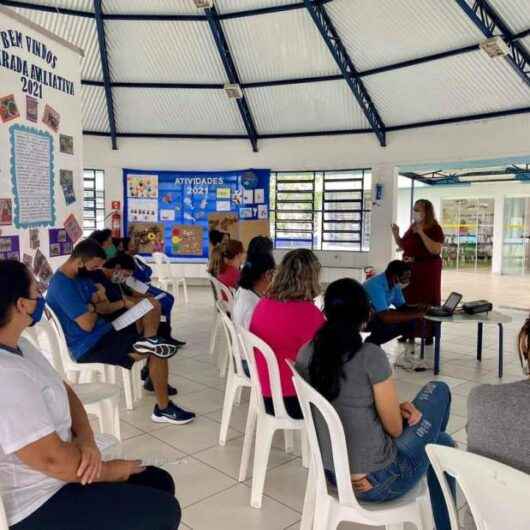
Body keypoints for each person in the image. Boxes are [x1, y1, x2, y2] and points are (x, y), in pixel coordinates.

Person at [0, 260, 181, 530]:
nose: (40, 294)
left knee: (159, 481)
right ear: (21, 305)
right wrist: (110, 470)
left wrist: (87, 441)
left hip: (64, 473)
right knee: (164, 511)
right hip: (39, 502)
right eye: (35, 290)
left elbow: (65, 390)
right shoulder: (6, 374)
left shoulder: (22, 345)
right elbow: (51, 460)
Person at [296, 278, 456, 530]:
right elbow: (395, 430)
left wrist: (396, 407)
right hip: (379, 481)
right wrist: (397, 412)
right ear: (365, 315)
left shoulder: (306, 352)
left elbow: (350, 403)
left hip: (332, 473)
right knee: (439, 390)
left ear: (326, 312)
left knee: (444, 444)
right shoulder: (370, 357)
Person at [46, 239, 194, 426]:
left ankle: (149, 345)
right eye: (95, 266)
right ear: (81, 261)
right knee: (159, 348)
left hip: (104, 333)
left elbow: (105, 306)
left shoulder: (81, 276)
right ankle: (163, 410)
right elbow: (87, 324)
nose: (96, 270)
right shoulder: (62, 285)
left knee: (157, 338)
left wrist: (94, 306)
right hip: (88, 345)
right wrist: (95, 306)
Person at [86, 253, 180, 396]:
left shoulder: (114, 280)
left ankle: (151, 369)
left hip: (125, 316)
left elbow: (125, 296)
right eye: (125, 274)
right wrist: (127, 303)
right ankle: (152, 369)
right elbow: (106, 306)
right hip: (115, 323)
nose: (124, 278)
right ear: (117, 267)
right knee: (157, 327)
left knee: (158, 318)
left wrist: (140, 300)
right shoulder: (97, 278)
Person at [250, 249, 325, 419]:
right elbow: (328, 354)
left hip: (266, 392)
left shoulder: (264, 302)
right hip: (291, 400)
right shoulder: (308, 313)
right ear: (312, 277)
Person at [392, 199, 444, 344]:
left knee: (426, 300)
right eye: (414, 209)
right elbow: (404, 245)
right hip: (409, 269)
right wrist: (396, 235)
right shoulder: (413, 226)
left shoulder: (435, 228)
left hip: (427, 269)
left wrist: (421, 232)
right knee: (407, 299)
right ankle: (408, 332)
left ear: (426, 212)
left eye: (418, 210)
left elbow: (435, 249)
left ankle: (427, 333)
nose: (415, 213)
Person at [122, 237, 185, 347]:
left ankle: (166, 333)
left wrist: (143, 271)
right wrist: (143, 272)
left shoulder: (135, 258)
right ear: (126, 246)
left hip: (143, 285)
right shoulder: (126, 259)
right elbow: (143, 274)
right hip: (138, 287)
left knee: (170, 298)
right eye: (133, 243)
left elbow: (148, 271)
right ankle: (162, 334)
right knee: (165, 300)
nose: (136, 245)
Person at [363, 260, 427, 347]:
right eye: (406, 276)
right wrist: (417, 315)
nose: (408, 280)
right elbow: (385, 317)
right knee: (396, 320)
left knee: (407, 320)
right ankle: (371, 342)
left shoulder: (394, 284)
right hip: (359, 319)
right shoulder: (375, 285)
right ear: (395, 275)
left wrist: (418, 307)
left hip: (374, 315)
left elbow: (402, 307)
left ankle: (374, 342)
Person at [232, 252, 275, 330]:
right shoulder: (255, 306)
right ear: (267, 275)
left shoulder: (242, 290)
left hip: (242, 337)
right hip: (252, 341)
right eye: (273, 273)